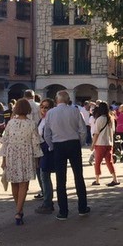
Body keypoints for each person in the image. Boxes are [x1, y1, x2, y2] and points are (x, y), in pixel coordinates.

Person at [42, 90, 89, 219]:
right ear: (68, 99)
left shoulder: (50, 113)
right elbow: (83, 130)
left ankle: (63, 211)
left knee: (60, 179)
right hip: (73, 144)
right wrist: (80, 143)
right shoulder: (75, 111)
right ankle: (82, 207)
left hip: (58, 146)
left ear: (57, 100)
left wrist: (52, 146)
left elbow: (47, 134)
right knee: (79, 176)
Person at [0, 98, 41, 226]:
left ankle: (19, 209)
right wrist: (37, 159)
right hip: (26, 153)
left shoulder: (11, 123)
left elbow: (5, 141)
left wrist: (3, 159)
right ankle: (18, 211)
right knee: (24, 184)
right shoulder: (32, 124)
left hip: (12, 153)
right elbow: (36, 144)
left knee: (14, 182)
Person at [91, 101, 119, 186]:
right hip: (109, 143)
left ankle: (97, 180)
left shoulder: (99, 119)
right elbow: (113, 131)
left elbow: (96, 133)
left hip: (100, 143)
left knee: (97, 162)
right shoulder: (111, 118)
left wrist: (92, 145)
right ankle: (115, 179)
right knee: (109, 162)